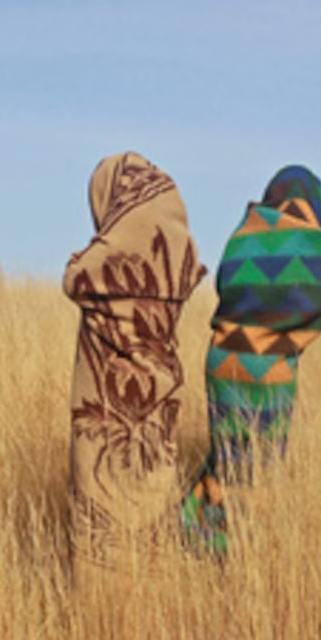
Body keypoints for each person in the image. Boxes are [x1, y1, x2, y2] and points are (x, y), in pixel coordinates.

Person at [180, 165, 321, 556]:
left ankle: (198, 537)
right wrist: (286, 336)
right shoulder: (314, 242)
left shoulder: (244, 233)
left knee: (226, 456)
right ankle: (238, 555)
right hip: (270, 367)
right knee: (258, 470)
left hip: (222, 357)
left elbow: (224, 286)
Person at [63, 153, 205, 582]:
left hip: (107, 405)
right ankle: (146, 600)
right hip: (160, 397)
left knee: (102, 493)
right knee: (149, 492)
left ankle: (102, 601)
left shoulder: (105, 260)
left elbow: (75, 278)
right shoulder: (178, 252)